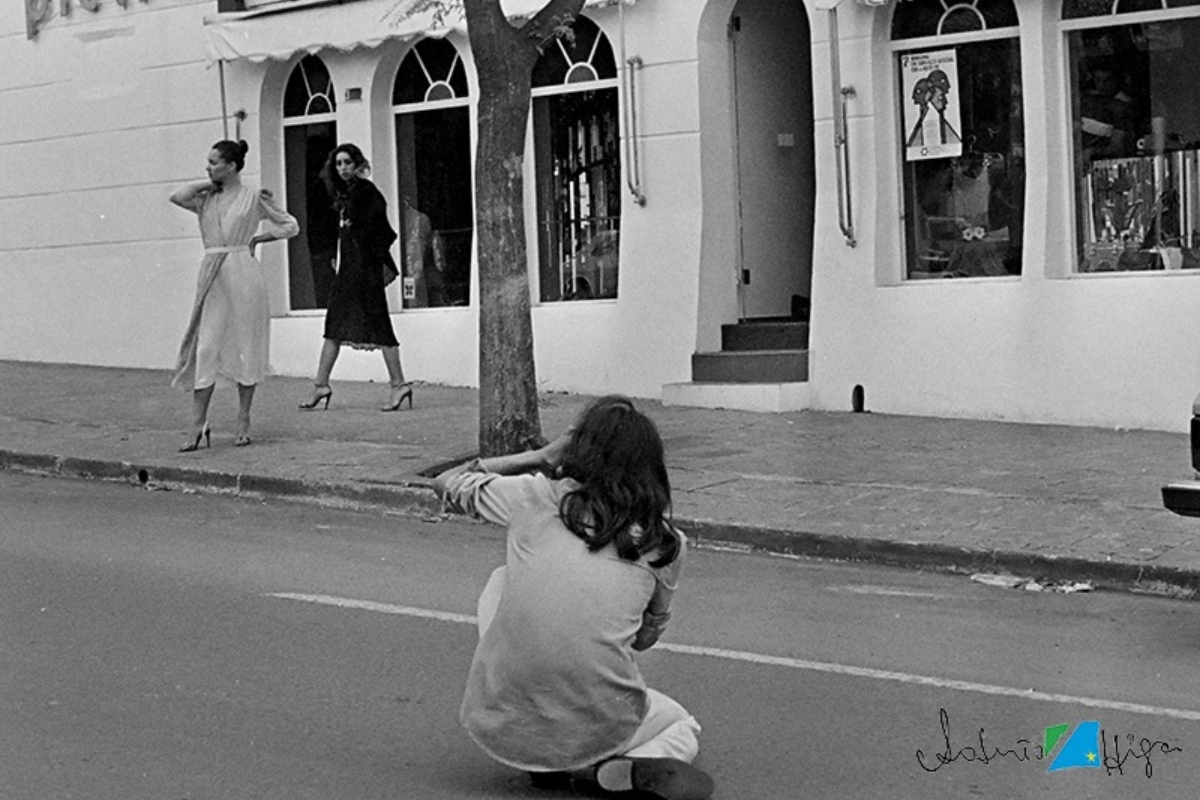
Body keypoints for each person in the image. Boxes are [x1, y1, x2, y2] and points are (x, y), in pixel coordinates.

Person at [433, 396, 714, 800]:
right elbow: (644, 639)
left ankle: (545, 753)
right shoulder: (665, 542)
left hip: (503, 722)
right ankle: (621, 764)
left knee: (501, 581)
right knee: (681, 724)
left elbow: (446, 481)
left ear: (577, 450)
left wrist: (538, 455)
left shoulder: (534, 498)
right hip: (597, 721)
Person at [169, 139, 299, 451]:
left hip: (243, 273)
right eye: (209, 161)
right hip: (214, 275)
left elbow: (290, 225)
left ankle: (243, 417)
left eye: (214, 162)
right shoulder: (205, 198)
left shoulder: (253, 196)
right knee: (206, 348)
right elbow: (176, 196)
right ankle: (198, 423)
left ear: (232, 165)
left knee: (245, 345)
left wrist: (258, 238)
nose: (209, 166)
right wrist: (210, 182)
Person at [298, 144, 413, 412]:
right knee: (334, 324)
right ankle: (321, 384)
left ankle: (399, 385)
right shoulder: (346, 192)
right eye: (338, 164)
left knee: (379, 324)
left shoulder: (366, 191)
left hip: (364, 270)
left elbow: (379, 229)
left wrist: (361, 247)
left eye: (347, 162)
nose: (343, 168)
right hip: (349, 270)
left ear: (357, 163)